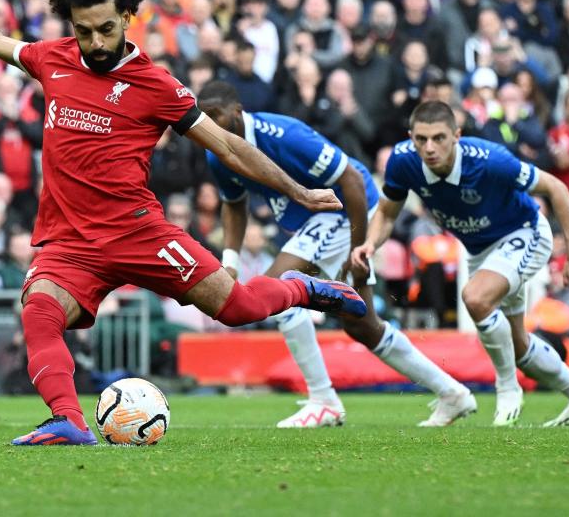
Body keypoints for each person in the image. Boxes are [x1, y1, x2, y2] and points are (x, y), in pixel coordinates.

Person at [0, 0, 365, 446]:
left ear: (126, 17)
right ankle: (67, 420)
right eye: (82, 30)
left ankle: (304, 289)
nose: (94, 43)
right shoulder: (51, 59)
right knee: (39, 309)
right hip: (71, 242)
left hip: (140, 232)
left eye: (104, 29)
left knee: (238, 307)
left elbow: (229, 147)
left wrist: (298, 192)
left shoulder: (158, 86)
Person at [198, 81, 474, 428]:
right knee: (363, 326)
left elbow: (353, 181)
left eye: (214, 116)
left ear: (237, 113)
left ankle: (323, 400)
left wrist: (360, 246)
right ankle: (453, 394)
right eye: (202, 117)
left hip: (348, 211)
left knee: (273, 287)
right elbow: (234, 206)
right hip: (318, 221)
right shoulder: (217, 153)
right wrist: (231, 262)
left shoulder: (283, 135)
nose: (207, 124)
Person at [352, 101, 569, 427]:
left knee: (476, 297)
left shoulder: (490, 160)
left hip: (524, 232)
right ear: (411, 137)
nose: (430, 148)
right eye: (422, 139)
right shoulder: (402, 162)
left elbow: (556, 187)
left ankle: (507, 388)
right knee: (518, 345)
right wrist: (370, 243)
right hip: (480, 249)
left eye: (439, 138)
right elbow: (387, 212)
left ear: (456, 135)